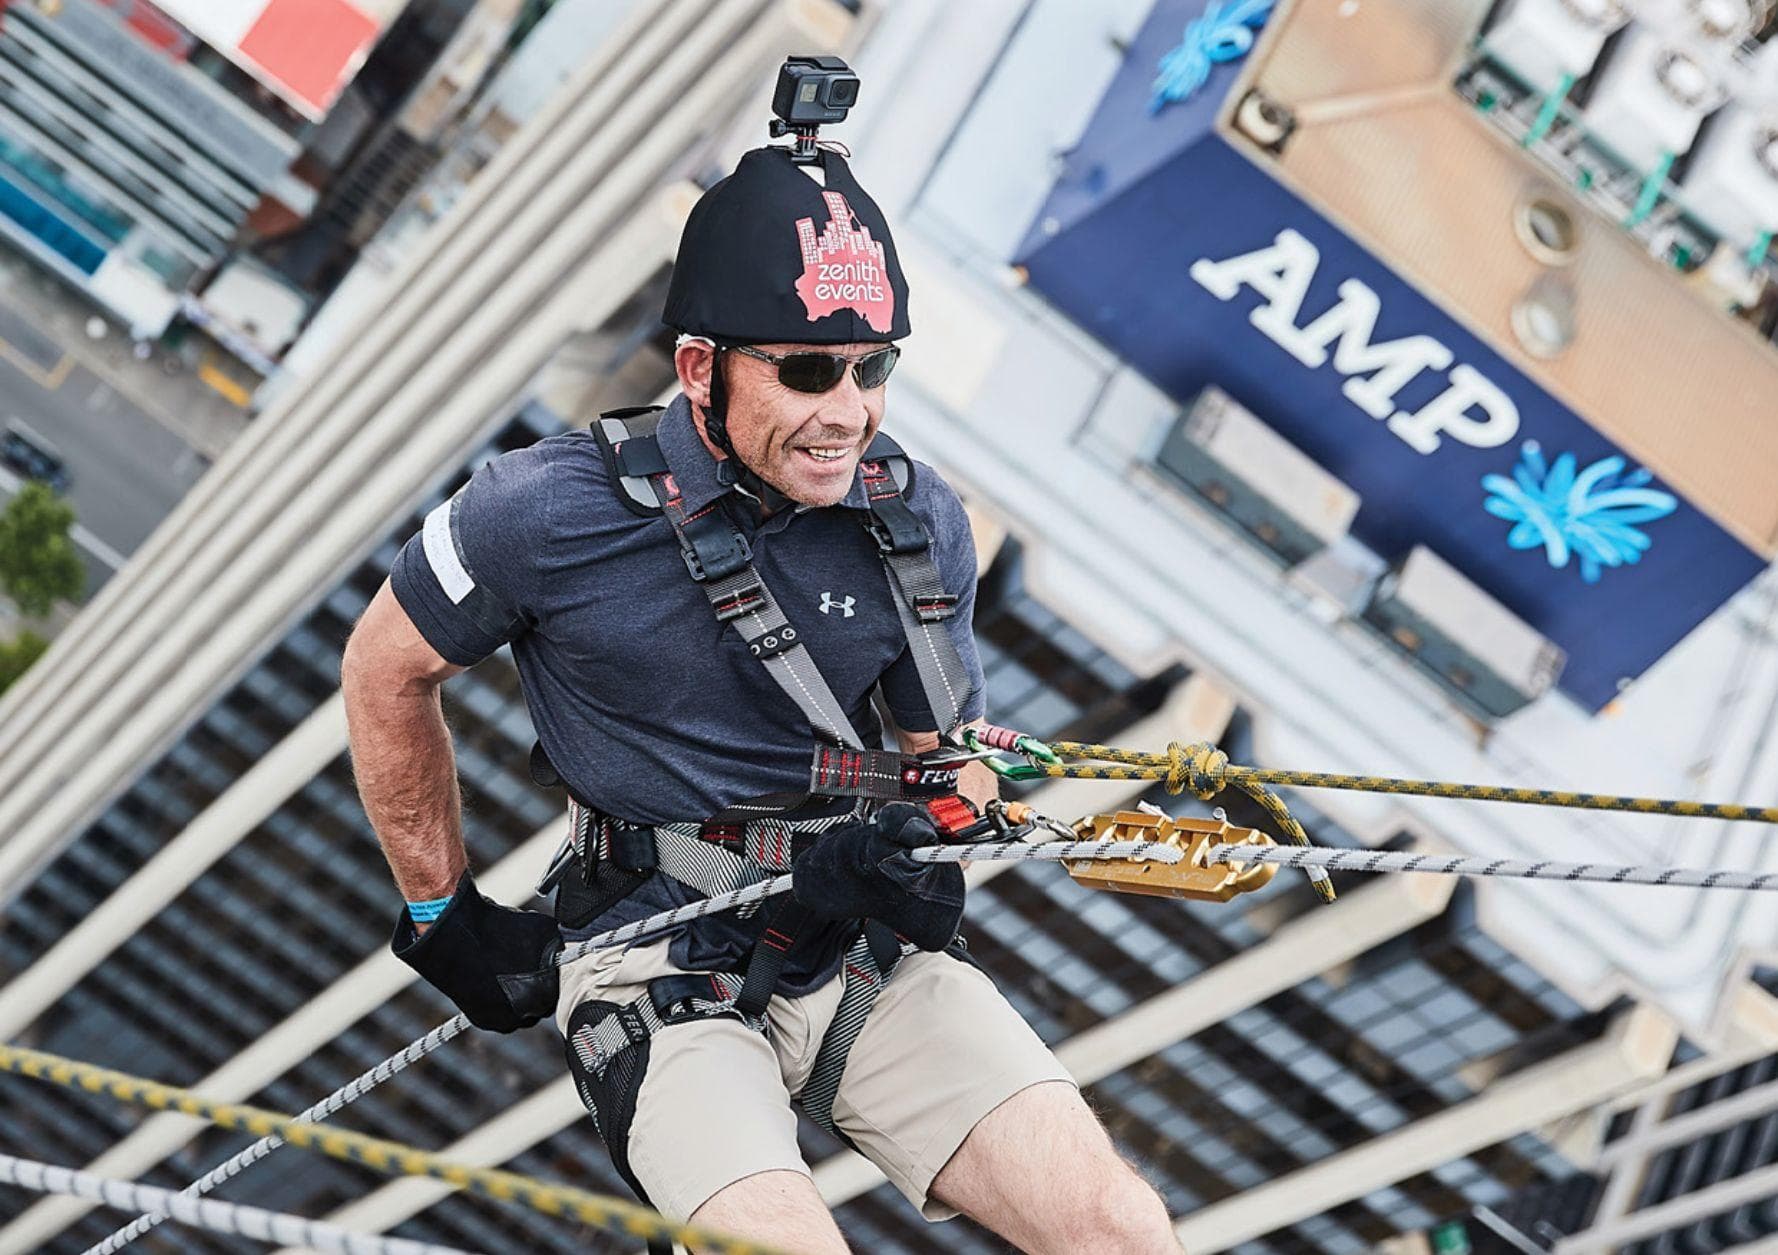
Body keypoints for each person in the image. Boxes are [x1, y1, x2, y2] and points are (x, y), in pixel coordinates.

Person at [341, 142, 1180, 1254]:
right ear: (700, 368)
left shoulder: (914, 524)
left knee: (1124, 1230)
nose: (848, 412)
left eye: (872, 368)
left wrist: (918, 851)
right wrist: (441, 911)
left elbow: (947, 760)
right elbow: (384, 668)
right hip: (649, 954)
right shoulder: (539, 512)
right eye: (808, 372)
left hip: (851, 939)